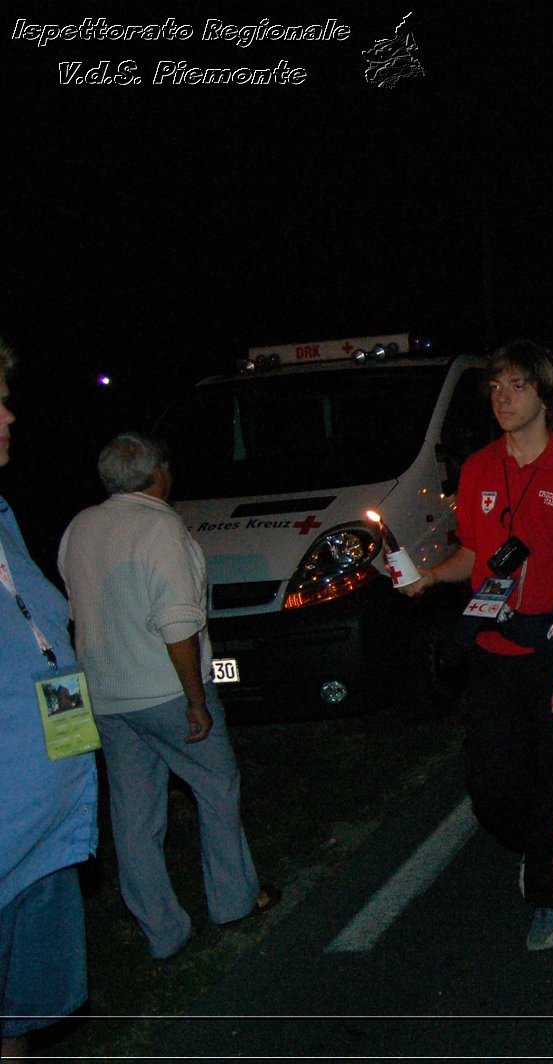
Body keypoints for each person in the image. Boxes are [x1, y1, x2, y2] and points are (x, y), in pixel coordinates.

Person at [401, 340, 553, 951]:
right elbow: (476, 554)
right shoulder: (478, 468)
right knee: (490, 788)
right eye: (495, 387)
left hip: (551, 647)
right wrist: (431, 576)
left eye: (515, 385)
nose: (502, 398)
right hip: (491, 648)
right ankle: (539, 844)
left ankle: (552, 896)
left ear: (544, 393)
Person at [57, 433, 277, 961]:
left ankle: (162, 930)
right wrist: (195, 699)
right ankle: (233, 900)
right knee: (216, 788)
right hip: (162, 689)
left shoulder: (79, 526)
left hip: (106, 696)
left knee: (134, 815)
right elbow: (178, 622)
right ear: (157, 473)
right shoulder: (160, 527)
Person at [0, 343, 99, 1056]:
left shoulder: (4, 518)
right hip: (11, 825)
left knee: (21, 1014)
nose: (8, 415)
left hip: (49, 827)